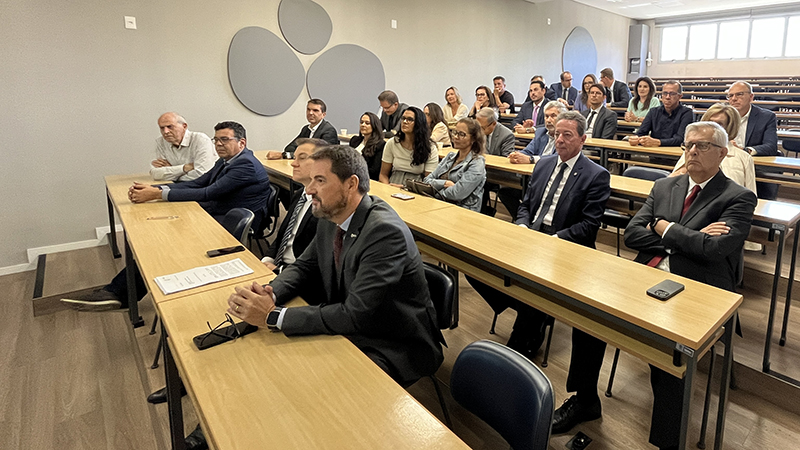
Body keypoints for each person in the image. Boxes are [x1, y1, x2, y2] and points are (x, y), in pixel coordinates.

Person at [554, 121, 756, 450]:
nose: (692, 151)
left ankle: (667, 441)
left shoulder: (738, 197)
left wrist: (663, 227)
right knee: (589, 314)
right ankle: (585, 400)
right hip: (645, 274)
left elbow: (715, 250)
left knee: (670, 349)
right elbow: (633, 235)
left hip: (697, 286)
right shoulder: (665, 186)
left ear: (722, 153)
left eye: (702, 146)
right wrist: (689, 237)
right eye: (688, 145)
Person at [229, 146, 445, 385]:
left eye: (320, 180)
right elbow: (304, 267)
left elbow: (355, 314)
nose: (309, 189)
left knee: (316, 385)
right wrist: (269, 293)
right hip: (354, 324)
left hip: (392, 342)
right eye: (311, 179)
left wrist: (273, 316)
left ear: (351, 184)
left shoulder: (384, 232)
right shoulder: (332, 214)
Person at [62, 121, 271, 312]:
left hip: (229, 224)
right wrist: (157, 188)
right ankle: (119, 291)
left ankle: (119, 293)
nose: (218, 144)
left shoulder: (245, 164)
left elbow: (209, 192)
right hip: (215, 213)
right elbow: (198, 183)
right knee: (159, 240)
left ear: (241, 142)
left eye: (224, 139)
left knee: (167, 244)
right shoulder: (226, 161)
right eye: (215, 140)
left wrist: (157, 194)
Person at [467, 111, 611, 360]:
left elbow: (589, 226)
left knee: (535, 287)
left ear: (582, 139)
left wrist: (554, 240)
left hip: (564, 243)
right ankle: (528, 305)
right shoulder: (543, 164)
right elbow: (526, 205)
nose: (560, 140)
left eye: (567, 135)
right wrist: (522, 226)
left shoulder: (595, 174)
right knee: (476, 263)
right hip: (531, 235)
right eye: (557, 134)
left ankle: (524, 336)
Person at [261, 138, 326, 274]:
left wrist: (280, 270)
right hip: (278, 267)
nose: (293, 164)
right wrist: (267, 260)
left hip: (298, 274)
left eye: (302, 158)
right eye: (295, 158)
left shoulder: (326, 205)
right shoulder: (299, 195)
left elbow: (318, 261)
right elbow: (282, 235)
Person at [671, 103, 757, 194]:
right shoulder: (692, 151)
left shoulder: (743, 158)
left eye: (719, 125)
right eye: (709, 123)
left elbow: (751, 193)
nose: (713, 128)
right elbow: (672, 185)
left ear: (730, 127)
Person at [726, 80, 779, 199]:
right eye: (730, 96)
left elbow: (771, 146)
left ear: (751, 97)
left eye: (739, 94)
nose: (734, 99)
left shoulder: (766, 117)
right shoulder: (723, 115)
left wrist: (745, 150)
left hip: (753, 165)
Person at [424, 118, 486, 212]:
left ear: (473, 139)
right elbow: (426, 181)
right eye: (455, 132)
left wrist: (434, 192)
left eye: (461, 134)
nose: (456, 137)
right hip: (439, 204)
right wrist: (444, 183)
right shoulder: (450, 156)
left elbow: (457, 193)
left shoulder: (477, 163)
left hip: (461, 210)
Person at [379, 106, 439, 186]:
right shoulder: (392, 143)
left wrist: (405, 188)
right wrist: (387, 187)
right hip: (393, 184)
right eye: (403, 118)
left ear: (419, 123)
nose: (405, 122)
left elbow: (429, 181)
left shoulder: (430, 148)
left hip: (415, 187)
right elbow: (383, 175)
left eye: (410, 119)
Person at [150, 112, 216, 182]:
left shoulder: (200, 139)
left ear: (184, 126)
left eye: (170, 127)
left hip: (205, 185)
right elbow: (155, 174)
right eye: (162, 128)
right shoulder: (161, 142)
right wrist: (184, 168)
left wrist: (172, 172)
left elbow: (202, 175)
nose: (166, 131)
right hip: (179, 185)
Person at [630, 80, 693, 148]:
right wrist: (635, 138)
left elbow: (680, 139)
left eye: (672, 94)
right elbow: (641, 133)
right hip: (654, 151)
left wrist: (658, 142)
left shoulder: (687, 113)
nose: (667, 97)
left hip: (675, 152)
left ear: (680, 96)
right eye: (665, 93)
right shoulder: (653, 112)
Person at [268, 99, 338, 159]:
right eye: (308, 109)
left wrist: (285, 155)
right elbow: (290, 147)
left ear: (323, 115)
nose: (310, 113)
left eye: (315, 110)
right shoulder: (306, 129)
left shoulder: (329, 131)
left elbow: (321, 155)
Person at [348, 112, 386, 181]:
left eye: (367, 123)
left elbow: (374, 171)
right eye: (361, 122)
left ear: (374, 126)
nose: (363, 125)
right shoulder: (354, 140)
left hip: (366, 179)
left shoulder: (380, 145)